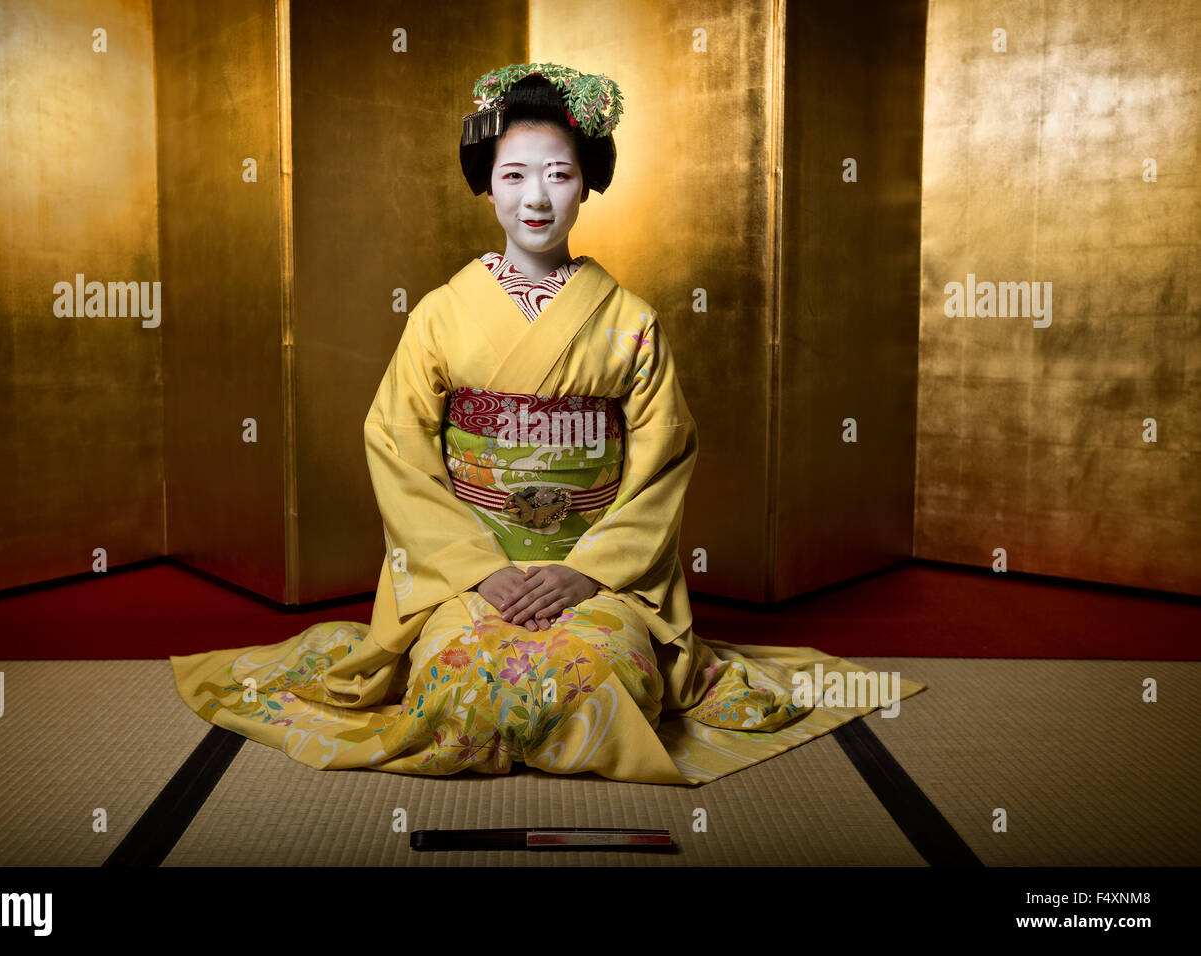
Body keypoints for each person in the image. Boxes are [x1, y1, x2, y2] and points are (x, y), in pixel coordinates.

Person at [170, 63, 921, 785]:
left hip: (600, 572)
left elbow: (664, 456)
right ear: (486, 187)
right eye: (514, 175)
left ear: (587, 182)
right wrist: (482, 570)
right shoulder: (440, 314)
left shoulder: (630, 321)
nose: (537, 198)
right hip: (466, 570)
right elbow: (397, 447)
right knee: (456, 697)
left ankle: (600, 629)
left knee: (595, 686)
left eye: (558, 175)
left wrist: (585, 571)